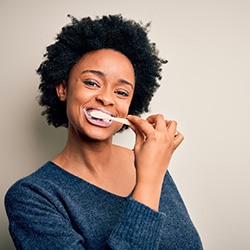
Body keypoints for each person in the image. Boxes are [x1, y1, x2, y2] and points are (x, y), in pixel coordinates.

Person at [5, 14, 203, 249]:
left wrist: (153, 169)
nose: (106, 98)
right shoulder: (32, 197)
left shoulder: (152, 162)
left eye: (121, 92)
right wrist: (149, 180)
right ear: (62, 89)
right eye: (91, 83)